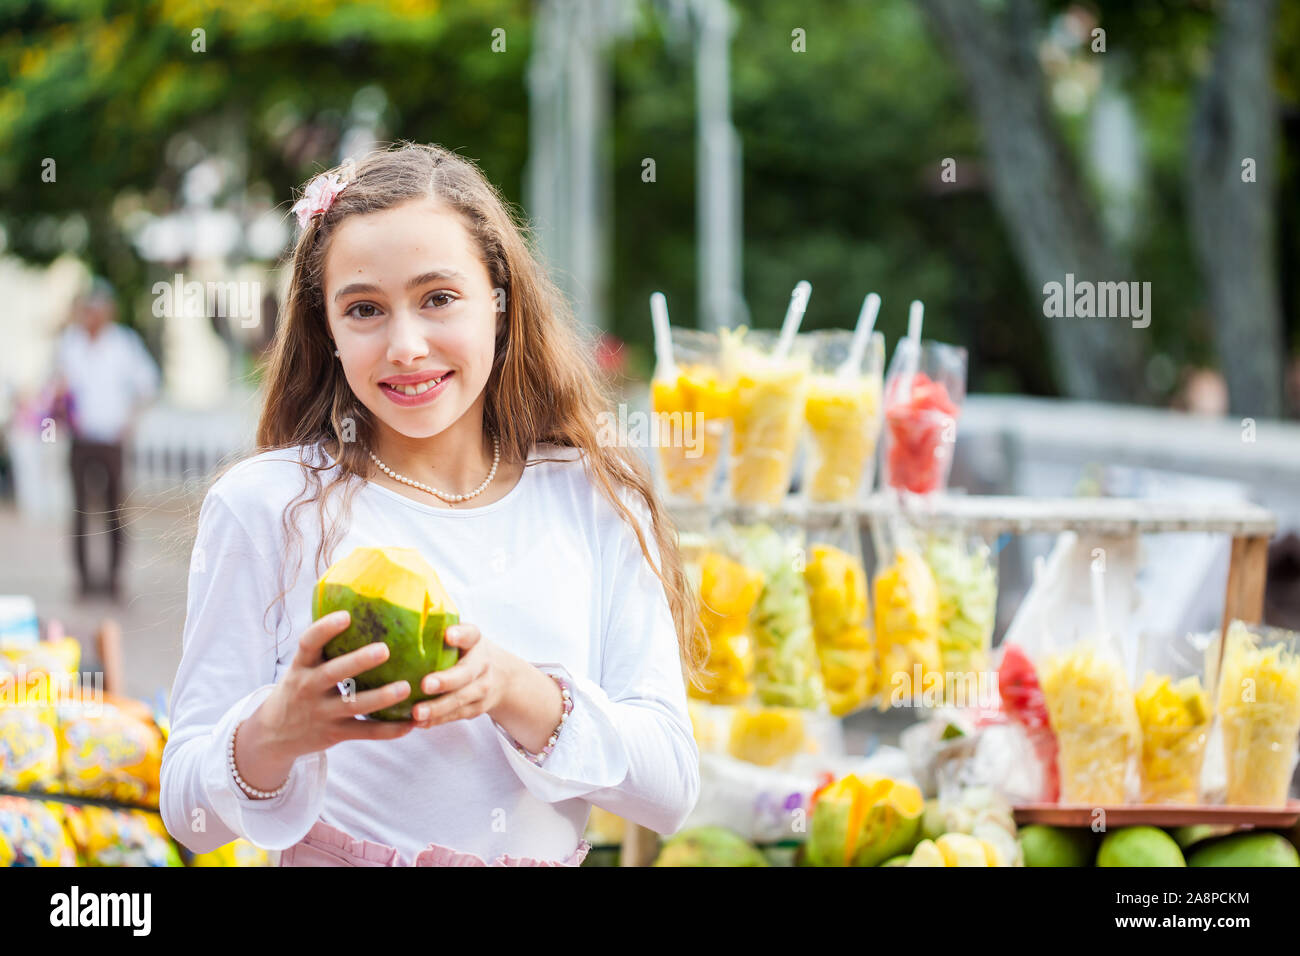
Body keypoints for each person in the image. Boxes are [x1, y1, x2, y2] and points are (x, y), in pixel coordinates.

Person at [160, 143, 706, 866]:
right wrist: (277, 730)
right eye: (364, 309)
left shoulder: (594, 497)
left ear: (500, 304)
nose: (407, 346)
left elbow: (669, 790)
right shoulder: (267, 505)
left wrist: (519, 691)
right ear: (327, 329)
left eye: (439, 298)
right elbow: (189, 816)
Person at [53, 278, 161, 602]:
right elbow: (56, 387)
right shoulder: (69, 343)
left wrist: (129, 421)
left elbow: (148, 383)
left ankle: (114, 578)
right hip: (81, 438)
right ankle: (84, 579)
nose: (92, 315)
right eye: (87, 309)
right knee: (80, 510)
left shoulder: (123, 343)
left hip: (111, 439)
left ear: (108, 311)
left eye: (97, 309)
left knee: (115, 510)